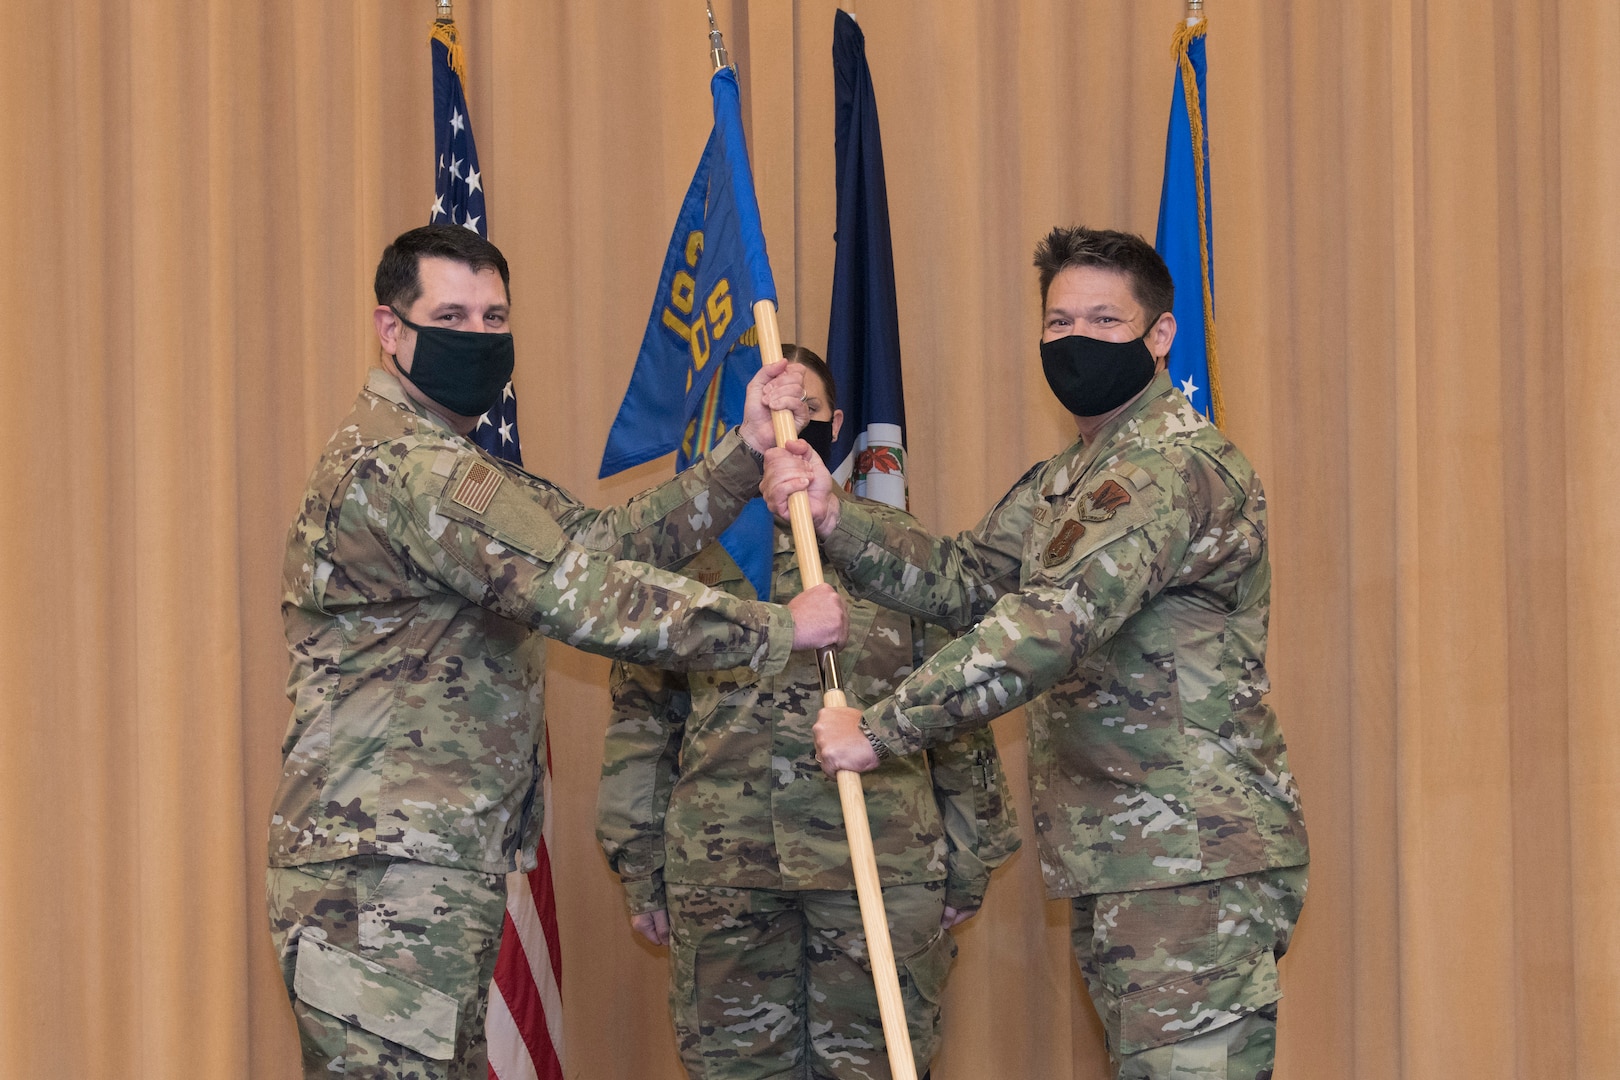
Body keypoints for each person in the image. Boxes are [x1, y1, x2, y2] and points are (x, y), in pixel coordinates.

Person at [266, 224, 848, 1080]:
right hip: (382, 878)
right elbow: (576, 595)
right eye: (451, 315)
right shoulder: (408, 472)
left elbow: (600, 544)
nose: (477, 336)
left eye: (494, 316)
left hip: (418, 866)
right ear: (391, 330)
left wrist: (744, 455)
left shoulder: (451, 464)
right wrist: (773, 628)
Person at [765, 228, 1310, 1080]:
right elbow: (964, 581)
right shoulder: (1068, 479)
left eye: (1103, 321)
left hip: (1193, 861)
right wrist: (837, 517)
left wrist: (881, 729)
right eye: (1059, 324)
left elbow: (1052, 624)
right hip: (1128, 854)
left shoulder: (1168, 468)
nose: (1076, 341)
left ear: (1159, 338)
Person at [597, 346, 1020, 1080]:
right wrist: (639, 868)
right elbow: (642, 726)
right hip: (725, 879)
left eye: (810, 413)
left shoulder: (902, 552)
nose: (793, 428)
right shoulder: (689, 569)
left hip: (880, 872)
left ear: (839, 425)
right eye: (776, 411)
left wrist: (968, 860)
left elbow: (958, 712)